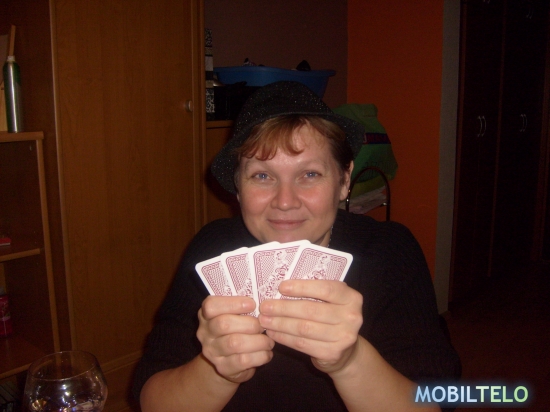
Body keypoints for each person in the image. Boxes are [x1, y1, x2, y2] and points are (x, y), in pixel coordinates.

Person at [133, 81, 461, 411]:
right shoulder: (212, 249)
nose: (285, 201)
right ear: (238, 186)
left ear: (344, 180)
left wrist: (351, 362)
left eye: (310, 174)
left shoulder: (390, 251)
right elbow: (153, 402)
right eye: (262, 176)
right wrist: (217, 371)